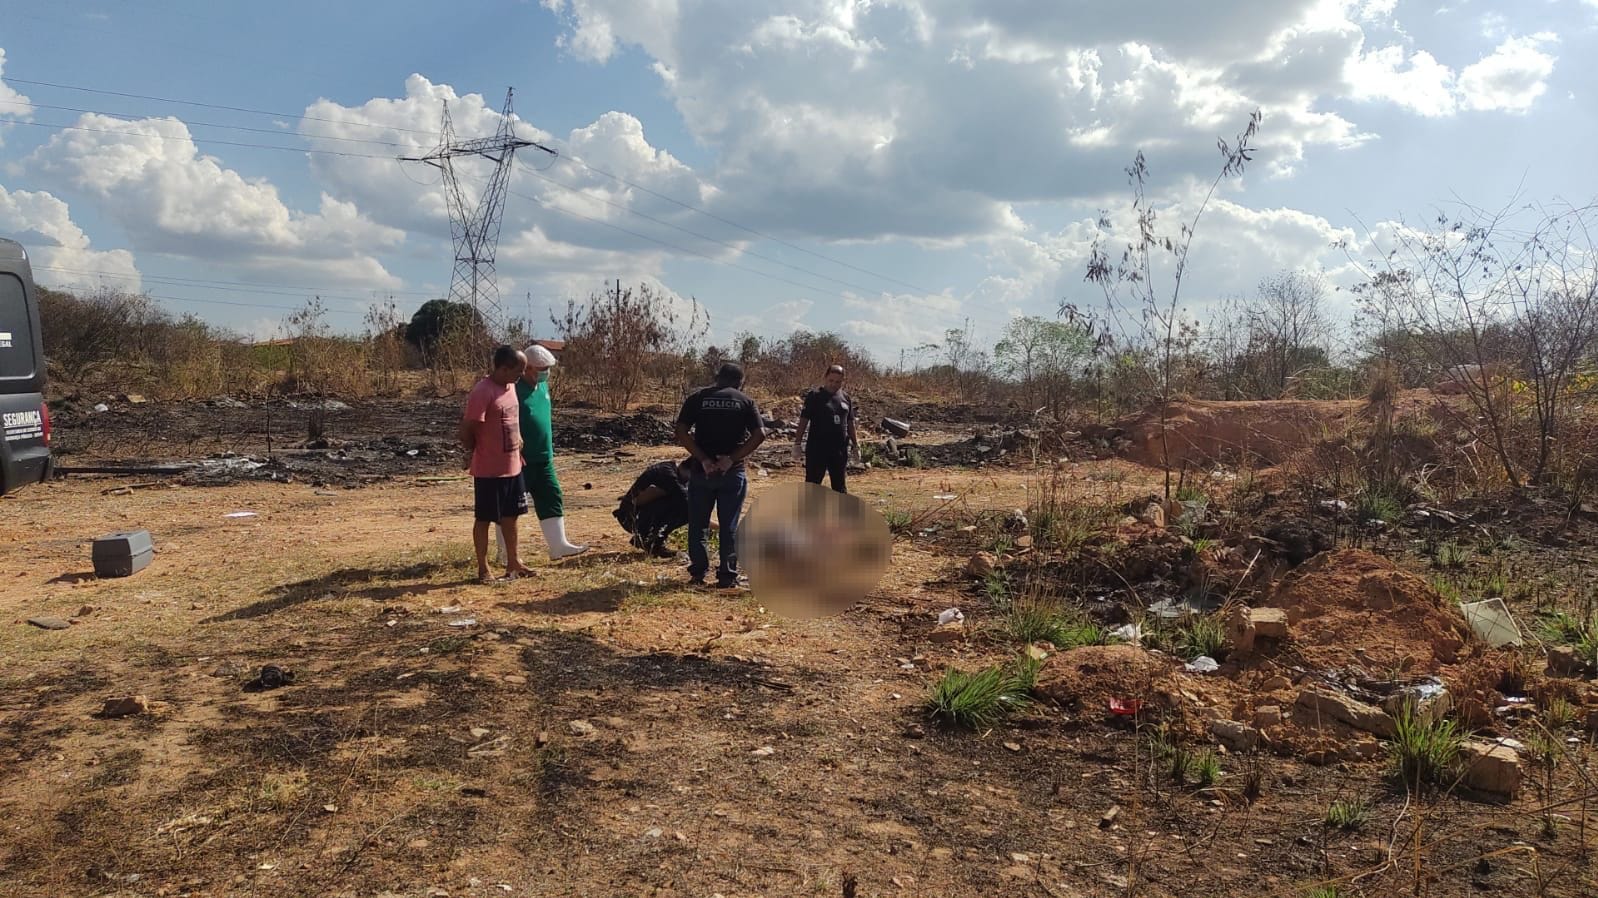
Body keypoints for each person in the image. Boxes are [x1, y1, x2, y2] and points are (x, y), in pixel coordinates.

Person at [676, 362, 766, 588]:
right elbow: (760, 434)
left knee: (698, 524)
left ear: (717, 378)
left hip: (701, 472)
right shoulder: (745, 401)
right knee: (729, 526)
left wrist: (703, 459)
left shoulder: (698, 398)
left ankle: (697, 574)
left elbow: (680, 430)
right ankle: (727, 576)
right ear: (740, 382)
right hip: (731, 473)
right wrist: (731, 459)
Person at [459, 345, 531, 583]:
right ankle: (483, 568)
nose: (521, 375)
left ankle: (514, 561)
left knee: (511, 516)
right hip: (490, 470)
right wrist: (474, 452)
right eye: (518, 371)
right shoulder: (483, 391)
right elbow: (468, 428)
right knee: (485, 518)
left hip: (513, 465)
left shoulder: (510, 387)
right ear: (502, 368)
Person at [514, 343, 588, 560]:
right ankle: (505, 553)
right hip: (520, 459)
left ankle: (559, 546)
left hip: (544, 458)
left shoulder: (543, 387)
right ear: (527, 368)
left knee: (551, 496)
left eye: (548, 368)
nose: (546, 373)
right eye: (541, 369)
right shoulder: (514, 389)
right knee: (512, 506)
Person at [793, 364, 860, 493]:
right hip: (817, 449)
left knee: (839, 487)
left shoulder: (845, 398)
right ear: (825, 378)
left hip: (839, 450)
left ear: (842, 381)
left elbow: (850, 423)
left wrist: (856, 445)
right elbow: (803, 421)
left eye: (838, 382)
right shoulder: (814, 396)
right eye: (831, 380)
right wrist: (797, 443)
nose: (834, 384)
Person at [613, 458, 692, 557]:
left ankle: (651, 540)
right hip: (629, 518)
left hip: (637, 514)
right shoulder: (669, 477)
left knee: (683, 504)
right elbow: (693, 510)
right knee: (684, 507)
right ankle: (649, 540)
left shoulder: (673, 471)